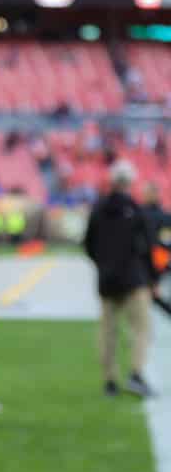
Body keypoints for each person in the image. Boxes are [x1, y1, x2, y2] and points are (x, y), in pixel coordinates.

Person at [83, 160, 157, 398]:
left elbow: (89, 245)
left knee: (108, 332)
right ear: (131, 182)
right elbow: (148, 248)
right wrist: (151, 278)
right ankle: (135, 373)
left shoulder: (98, 209)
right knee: (141, 329)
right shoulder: (136, 210)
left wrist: (103, 265)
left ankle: (110, 381)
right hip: (134, 279)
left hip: (107, 280)